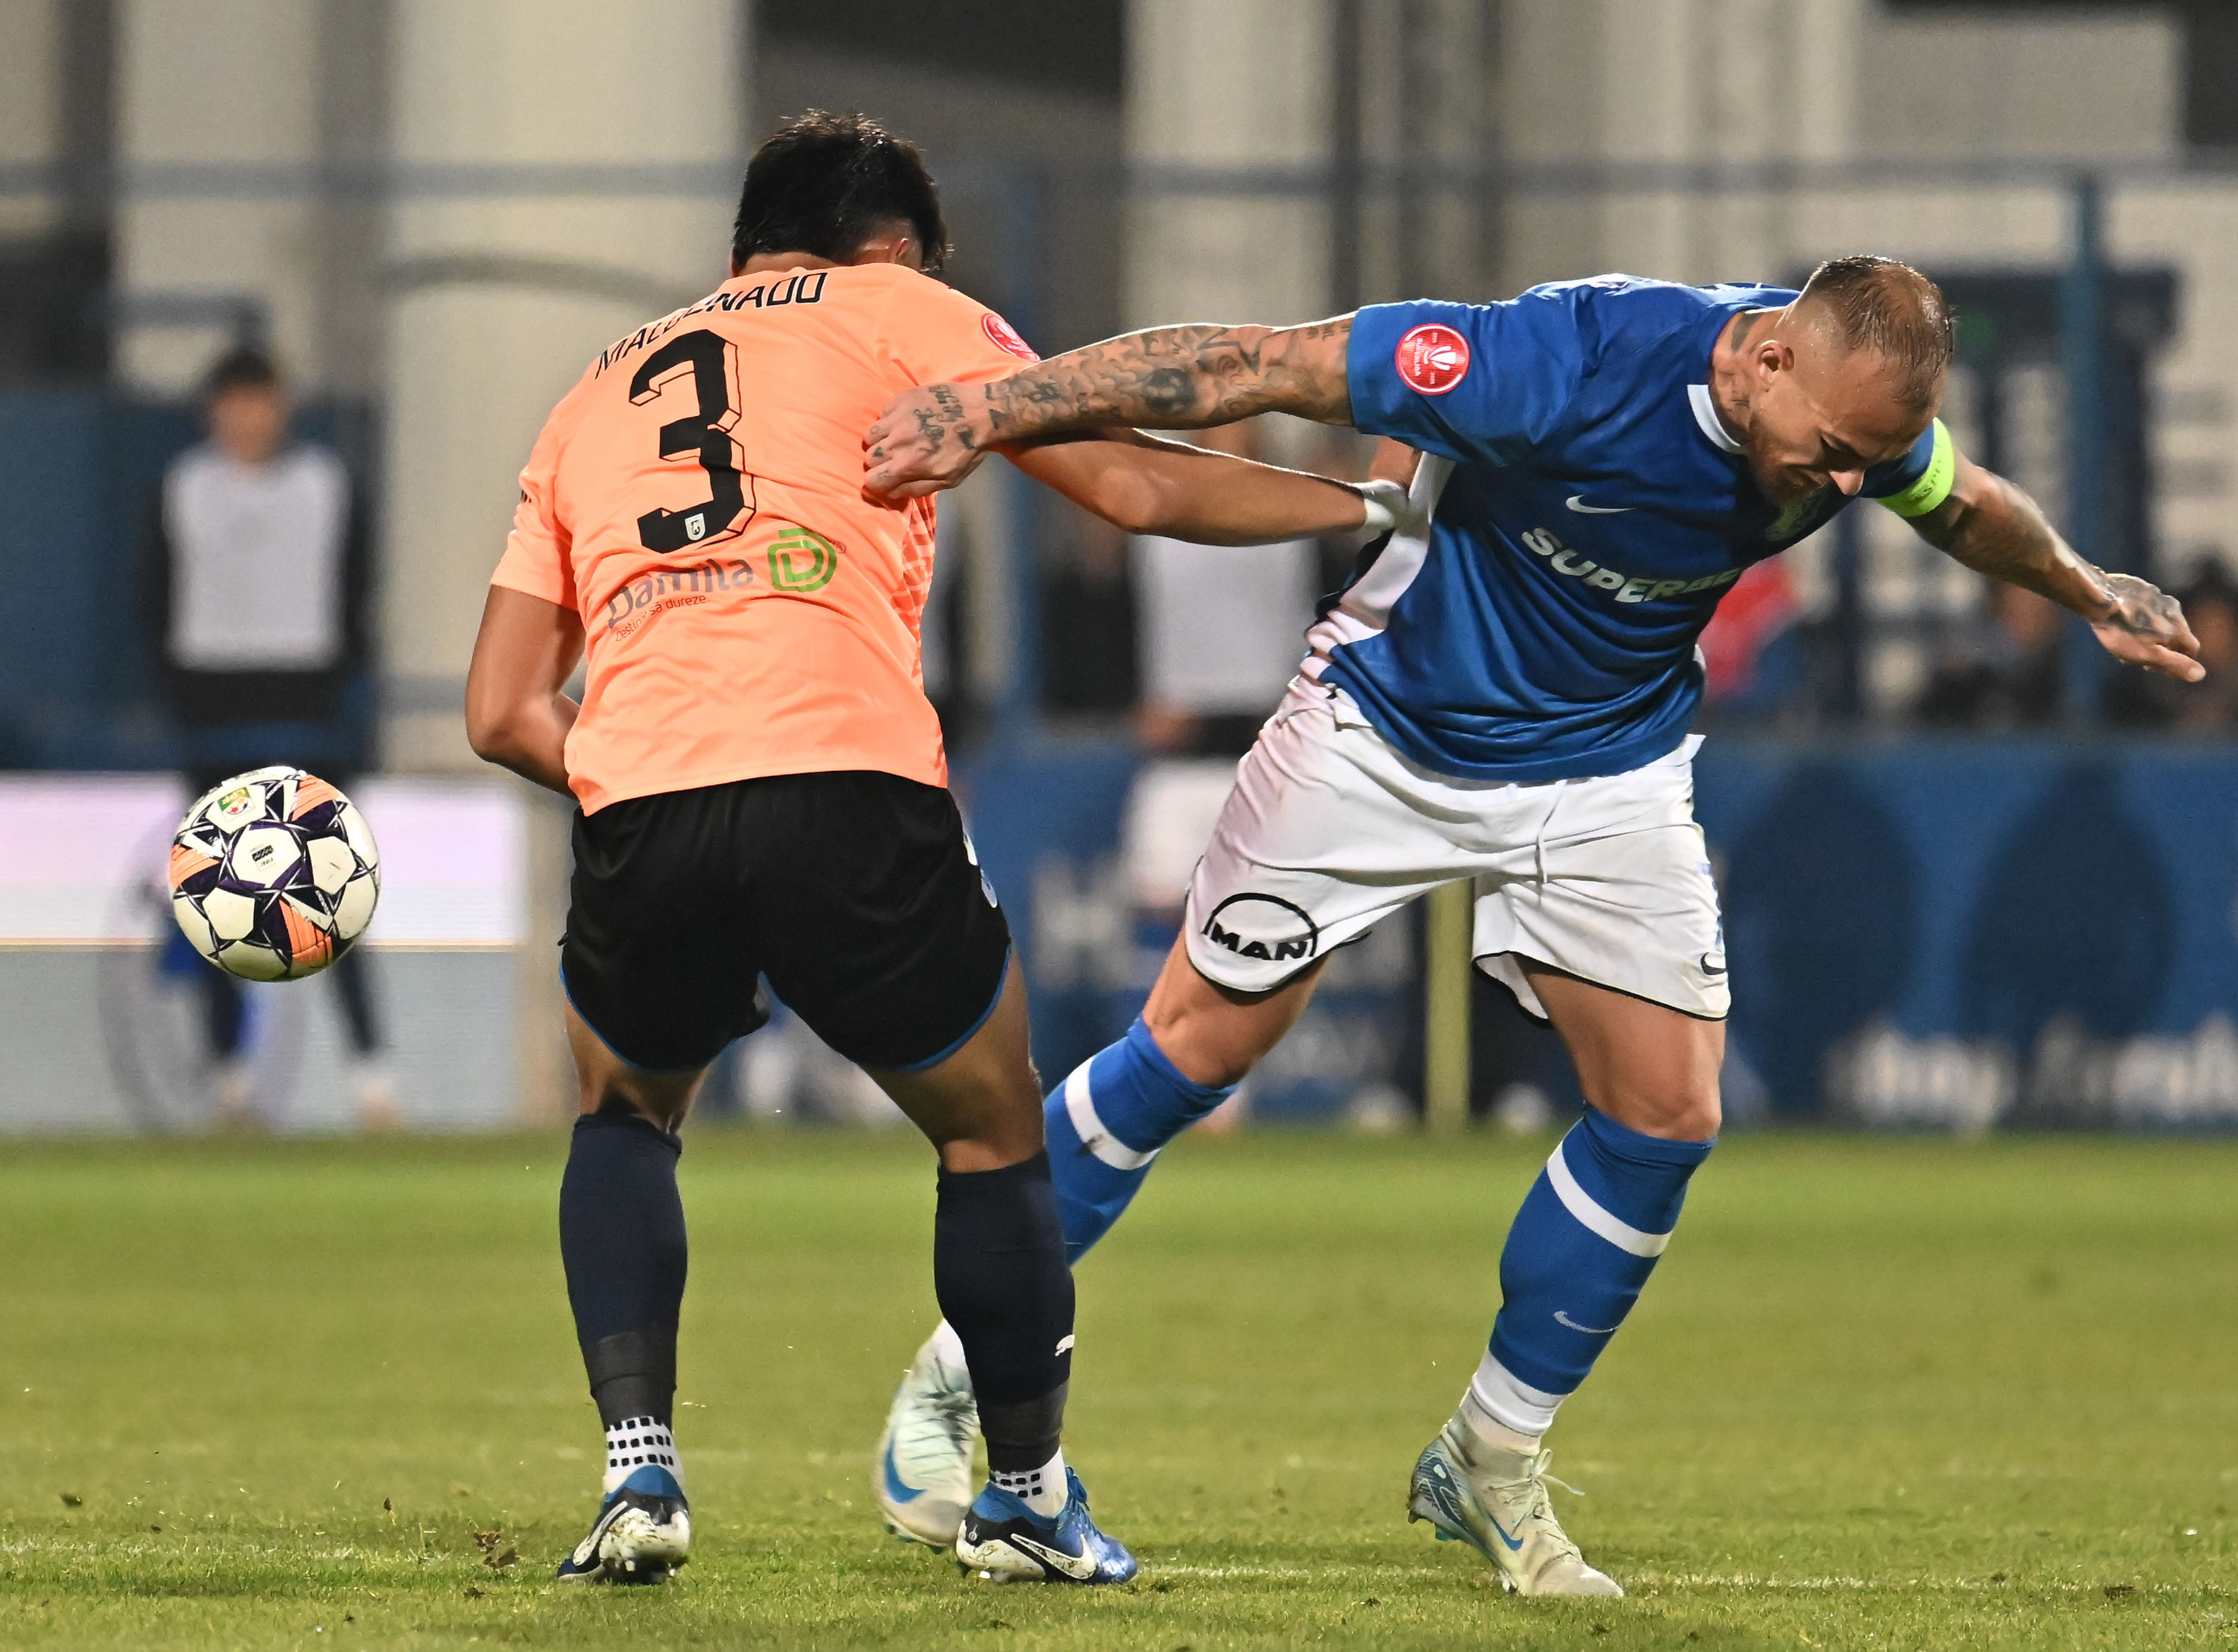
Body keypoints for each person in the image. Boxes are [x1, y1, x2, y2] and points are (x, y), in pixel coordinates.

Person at [860, 256, 2205, 1596]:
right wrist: (988, 407)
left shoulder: (1852, 428)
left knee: (1670, 1110)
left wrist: (2086, 584)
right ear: (1768, 360)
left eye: (1874, 460)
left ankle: (1491, 1455)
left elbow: (1962, 506)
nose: (1849, 485)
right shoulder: (1561, 361)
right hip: (1385, 733)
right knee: (1192, 1052)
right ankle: (955, 1374)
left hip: (1603, 773)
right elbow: (1259, 361)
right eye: (1841, 453)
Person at [461, 111, 1399, 1587]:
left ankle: (639, 1471)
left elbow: (498, 707)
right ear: (891, 243)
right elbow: (1142, 484)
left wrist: (654, 766)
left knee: (627, 1113)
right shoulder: (907, 309)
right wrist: (1374, 502)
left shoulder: (593, 387)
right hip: (846, 768)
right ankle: (1024, 1497)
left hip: (638, 790)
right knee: (988, 1125)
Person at [147, 344, 394, 1129]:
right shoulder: (182, 489)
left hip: (305, 719)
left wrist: (336, 688)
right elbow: (153, 596)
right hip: (213, 722)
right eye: (236, 401)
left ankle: (372, 1082)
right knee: (219, 905)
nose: (250, 418)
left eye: (262, 400)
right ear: (215, 410)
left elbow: (354, 590)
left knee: (330, 897)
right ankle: (229, 1086)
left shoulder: (326, 485)